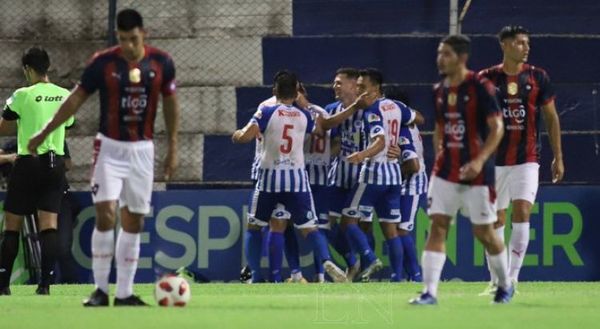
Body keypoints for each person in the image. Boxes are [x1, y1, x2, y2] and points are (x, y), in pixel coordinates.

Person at [28, 9, 179, 306]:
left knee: (134, 221)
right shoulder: (103, 63)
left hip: (142, 151)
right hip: (109, 148)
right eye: (123, 40)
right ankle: (99, 290)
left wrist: (172, 146)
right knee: (106, 215)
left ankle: (124, 293)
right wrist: (46, 132)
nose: (128, 46)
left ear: (143, 34)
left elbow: (171, 104)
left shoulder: (162, 62)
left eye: (133, 39)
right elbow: (75, 99)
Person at [410, 35, 512, 305]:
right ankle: (429, 292)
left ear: (462, 58)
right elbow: (440, 129)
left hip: (477, 173)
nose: (440, 59)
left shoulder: (480, 87)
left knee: (484, 233)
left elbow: (497, 128)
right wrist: (439, 156)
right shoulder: (439, 90)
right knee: (437, 226)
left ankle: (504, 284)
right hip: (445, 171)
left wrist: (479, 160)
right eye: (439, 53)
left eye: (446, 54)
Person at [232, 70, 347, 283]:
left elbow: (246, 136)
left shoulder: (266, 111)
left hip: (269, 178)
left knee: (255, 226)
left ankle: (256, 276)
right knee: (310, 227)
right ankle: (325, 260)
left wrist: (237, 134)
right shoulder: (304, 115)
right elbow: (320, 128)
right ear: (296, 92)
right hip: (297, 179)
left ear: (275, 90)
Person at [478, 25, 564, 294]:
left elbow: (551, 117)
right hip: (494, 161)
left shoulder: (538, 77)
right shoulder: (486, 79)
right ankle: (496, 280)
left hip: (527, 158)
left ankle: (512, 279)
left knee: (523, 211)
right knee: (495, 222)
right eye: (519, 43)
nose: (526, 47)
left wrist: (558, 157)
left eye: (527, 43)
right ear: (504, 44)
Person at [0, 46, 73, 295]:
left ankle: (3, 286)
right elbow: (69, 124)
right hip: (54, 165)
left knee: (12, 225)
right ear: (48, 67)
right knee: (48, 225)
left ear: (28, 70)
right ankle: (44, 286)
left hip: (27, 162)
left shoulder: (22, 94)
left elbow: (4, 126)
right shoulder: (64, 95)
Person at [343, 68, 419, 282]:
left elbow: (380, 142)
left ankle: (370, 258)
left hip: (374, 173)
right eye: (357, 87)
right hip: (394, 175)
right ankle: (397, 277)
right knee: (390, 228)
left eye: (363, 88)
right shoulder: (397, 106)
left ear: (376, 89)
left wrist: (361, 155)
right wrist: (400, 144)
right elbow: (418, 118)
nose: (359, 92)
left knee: (348, 219)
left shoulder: (373, 111)